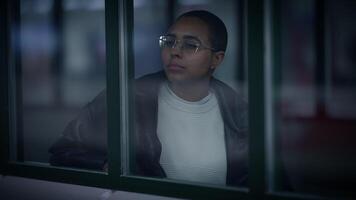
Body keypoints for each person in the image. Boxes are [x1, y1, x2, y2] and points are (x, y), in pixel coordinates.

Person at [49, 10, 248, 187]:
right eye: (169, 42)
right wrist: (106, 166)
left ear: (217, 59)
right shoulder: (128, 98)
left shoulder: (238, 110)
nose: (175, 52)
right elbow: (64, 151)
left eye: (190, 45)